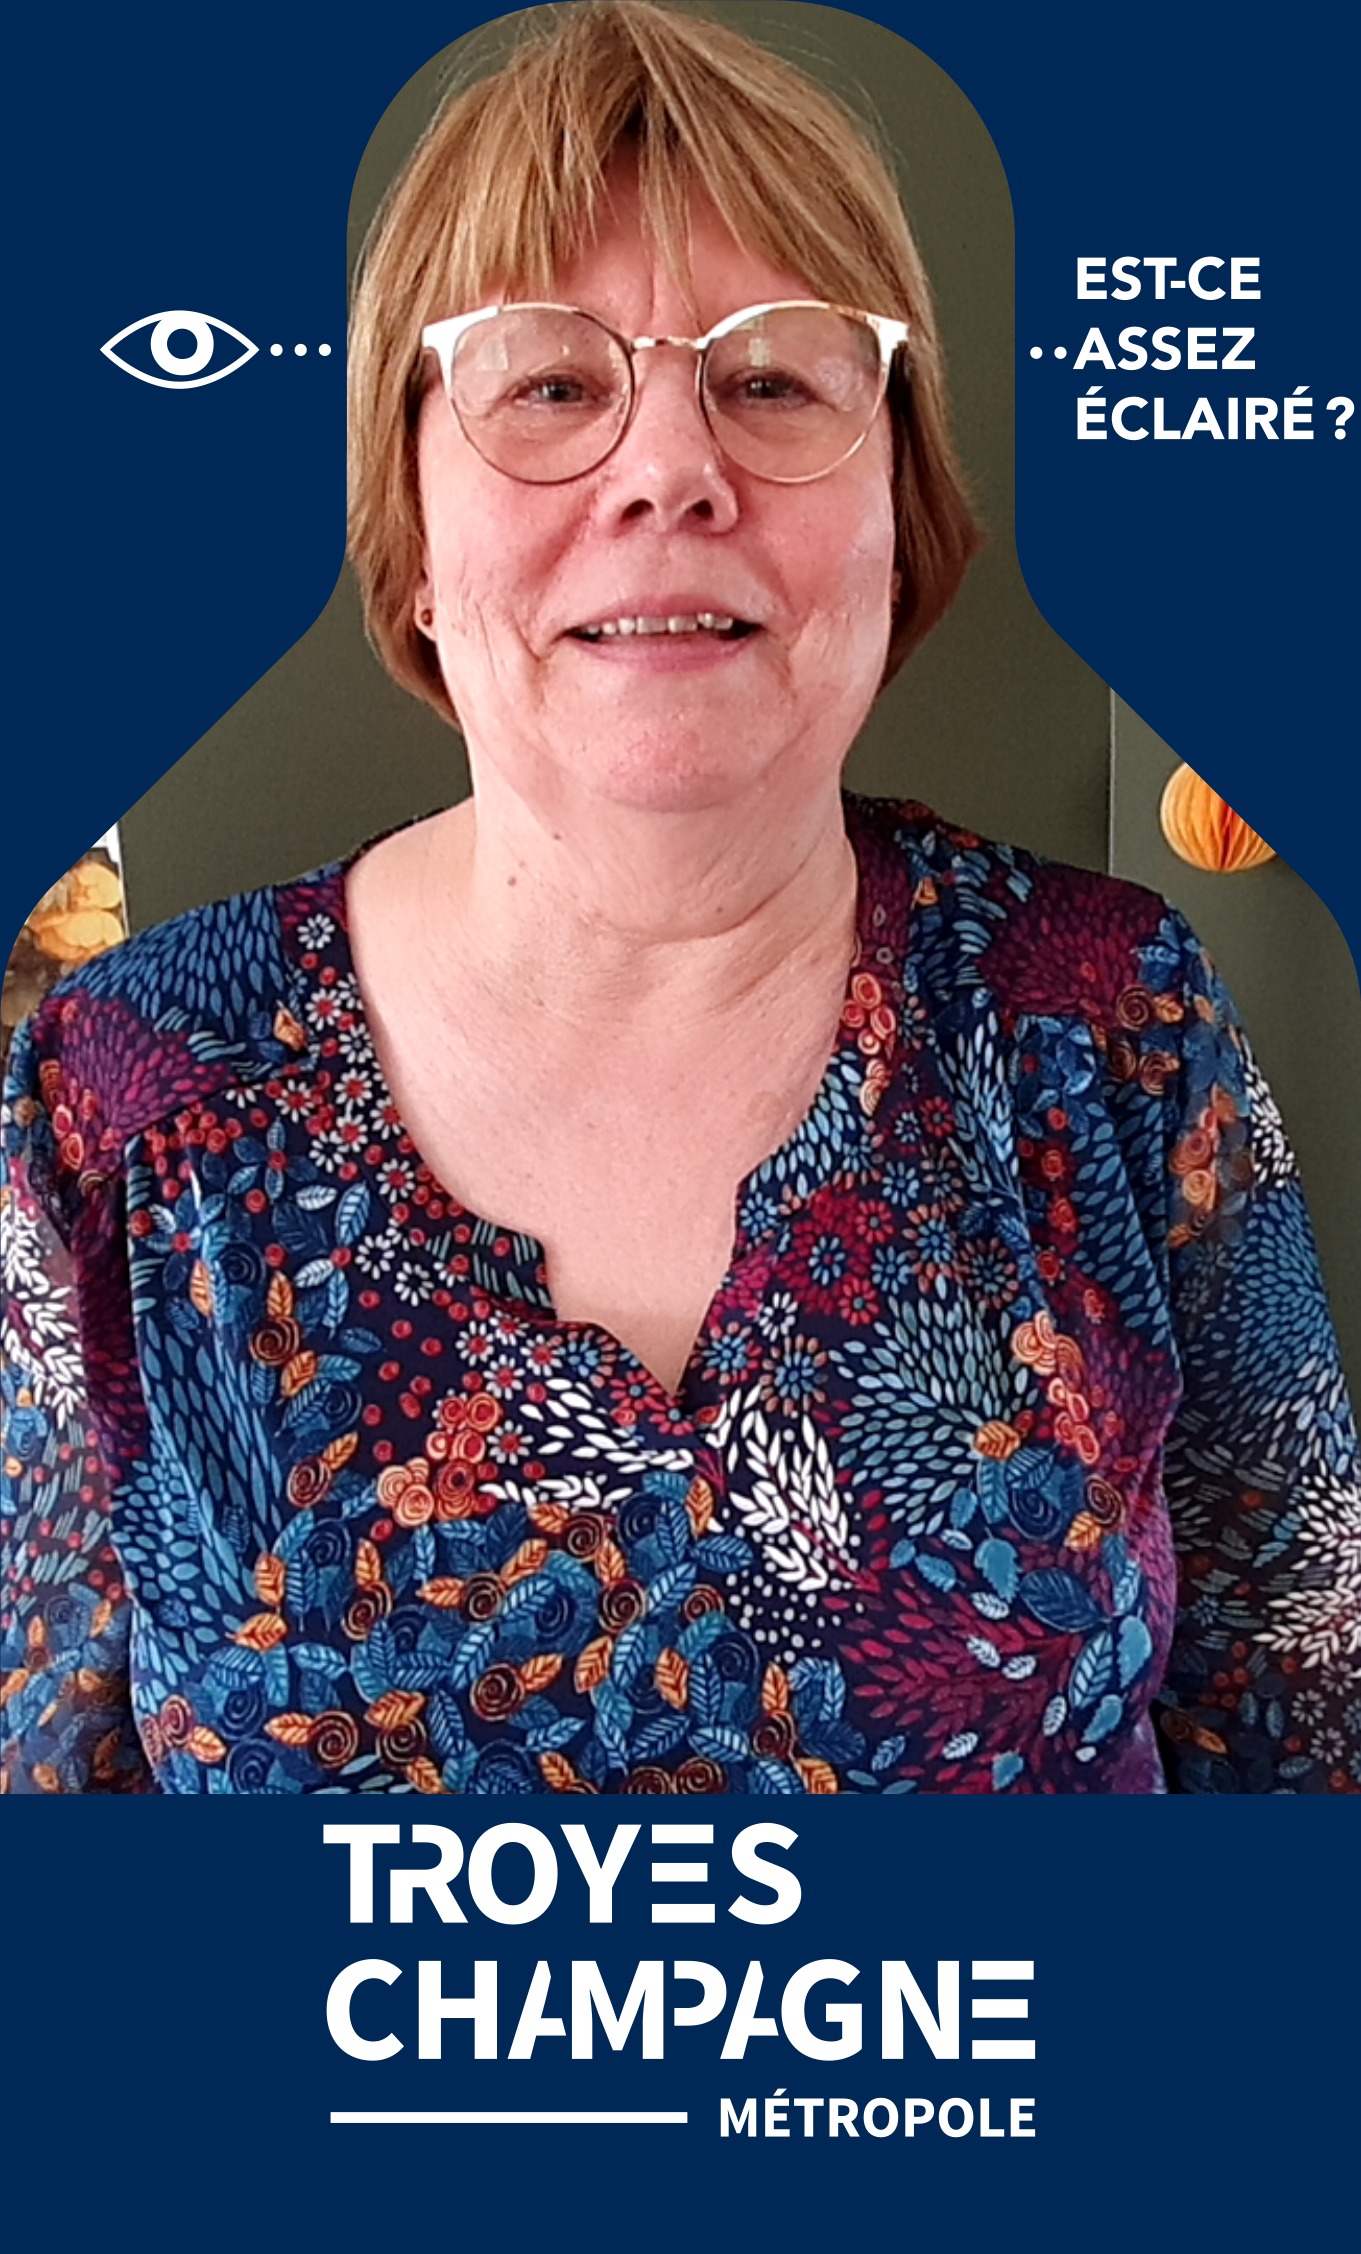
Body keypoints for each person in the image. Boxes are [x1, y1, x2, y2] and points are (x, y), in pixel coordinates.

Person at [3, 0, 1356, 1797]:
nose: (666, 471)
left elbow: (1302, 1738)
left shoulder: (1105, 1017)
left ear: (897, 511)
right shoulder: (122, 1089)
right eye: (550, 386)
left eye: (772, 380)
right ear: (413, 531)